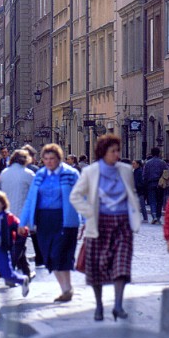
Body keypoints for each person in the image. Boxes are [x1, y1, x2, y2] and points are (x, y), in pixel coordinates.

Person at [70, 135, 142, 321]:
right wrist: (89, 213)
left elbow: (132, 193)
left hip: (122, 224)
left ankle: (118, 305)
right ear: (103, 152)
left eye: (118, 150)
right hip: (99, 223)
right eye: (113, 151)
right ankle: (99, 305)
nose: (117, 155)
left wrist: (134, 213)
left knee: (122, 263)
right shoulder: (91, 172)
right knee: (97, 266)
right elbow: (75, 196)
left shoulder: (125, 170)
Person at [20, 144, 81, 303]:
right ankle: (66, 288)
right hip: (44, 219)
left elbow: (82, 197)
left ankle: (67, 289)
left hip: (64, 218)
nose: (48, 162)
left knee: (61, 253)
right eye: (45, 159)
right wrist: (23, 222)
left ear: (58, 158)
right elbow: (30, 199)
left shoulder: (71, 174)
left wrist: (87, 220)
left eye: (52, 158)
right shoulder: (40, 175)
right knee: (49, 255)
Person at [0, 149, 35, 278]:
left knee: (18, 244)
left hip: (6, 214)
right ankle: (8, 271)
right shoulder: (28, 174)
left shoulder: (4, 173)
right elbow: (35, 195)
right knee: (18, 244)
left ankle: (26, 271)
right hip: (22, 215)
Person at [142, 147, 167, 224]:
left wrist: (145, 184)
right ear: (159, 153)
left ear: (151, 153)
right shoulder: (163, 163)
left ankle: (154, 216)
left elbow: (144, 175)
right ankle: (158, 217)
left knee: (152, 200)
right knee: (159, 201)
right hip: (160, 184)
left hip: (150, 183)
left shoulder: (148, 163)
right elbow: (166, 173)